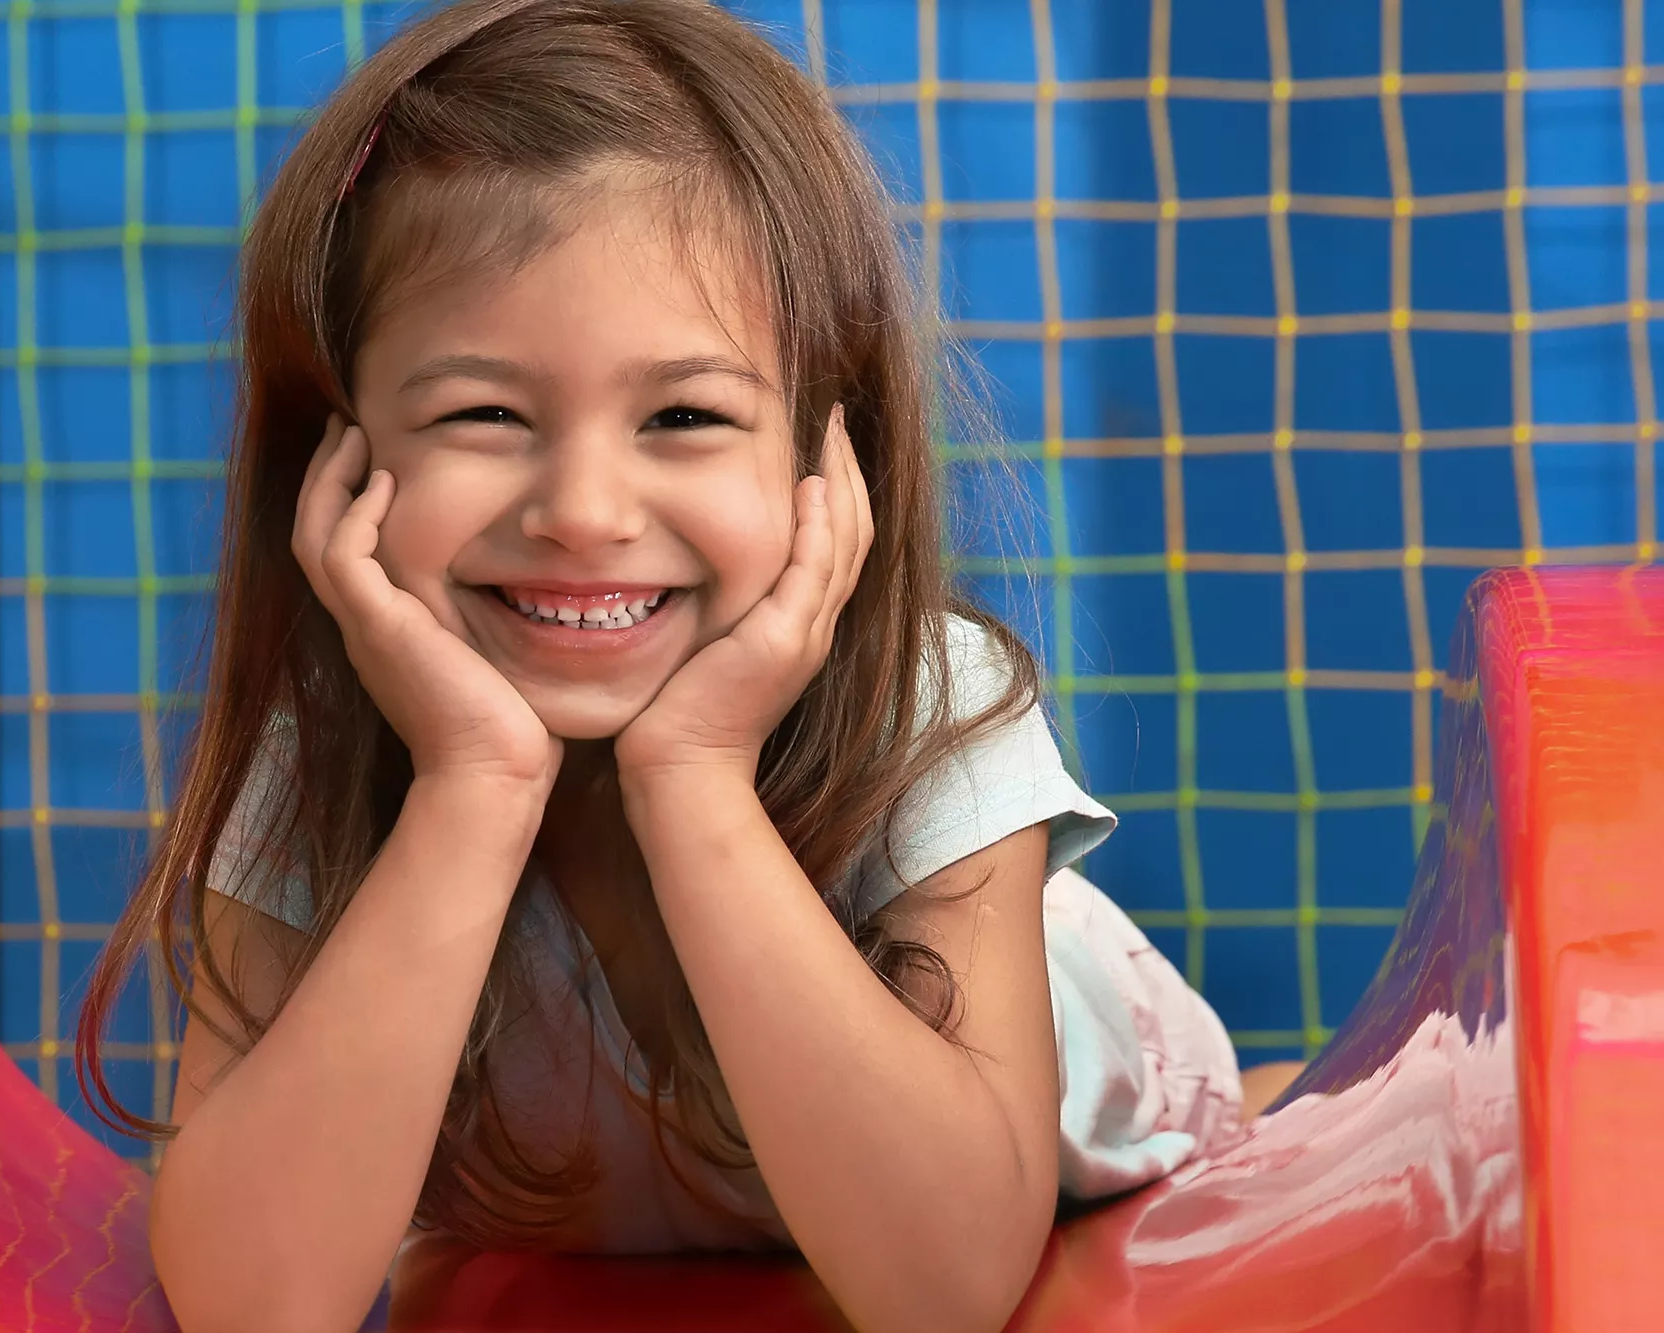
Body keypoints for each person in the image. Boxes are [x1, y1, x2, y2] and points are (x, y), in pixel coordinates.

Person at [75, 3, 1300, 1330]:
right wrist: (473, 786)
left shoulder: (924, 710)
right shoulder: (326, 755)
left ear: (823, 460)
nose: (585, 511)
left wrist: (697, 774)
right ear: (343, 458)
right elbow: (253, 1309)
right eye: (483, 414)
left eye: (685, 416)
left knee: (1253, 1123)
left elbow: (945, 1294)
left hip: (1083, 1136)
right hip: (630, 1210)